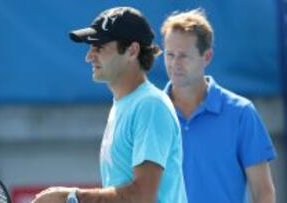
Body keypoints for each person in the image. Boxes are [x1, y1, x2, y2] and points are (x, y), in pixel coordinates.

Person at [32, 6, 187, 203]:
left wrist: (71, 198)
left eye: (99, 47)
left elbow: (142, 196)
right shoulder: (125, 105)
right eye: (90, 48)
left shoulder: (150, 106)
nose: (89, 56)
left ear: (132, 51)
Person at [160, 8, 277, 203]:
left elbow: (263, 192)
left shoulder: (241, 113)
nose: (175, 64)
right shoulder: (150, 113)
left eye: (184, 56)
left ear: (207, 57)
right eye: (170, 55)